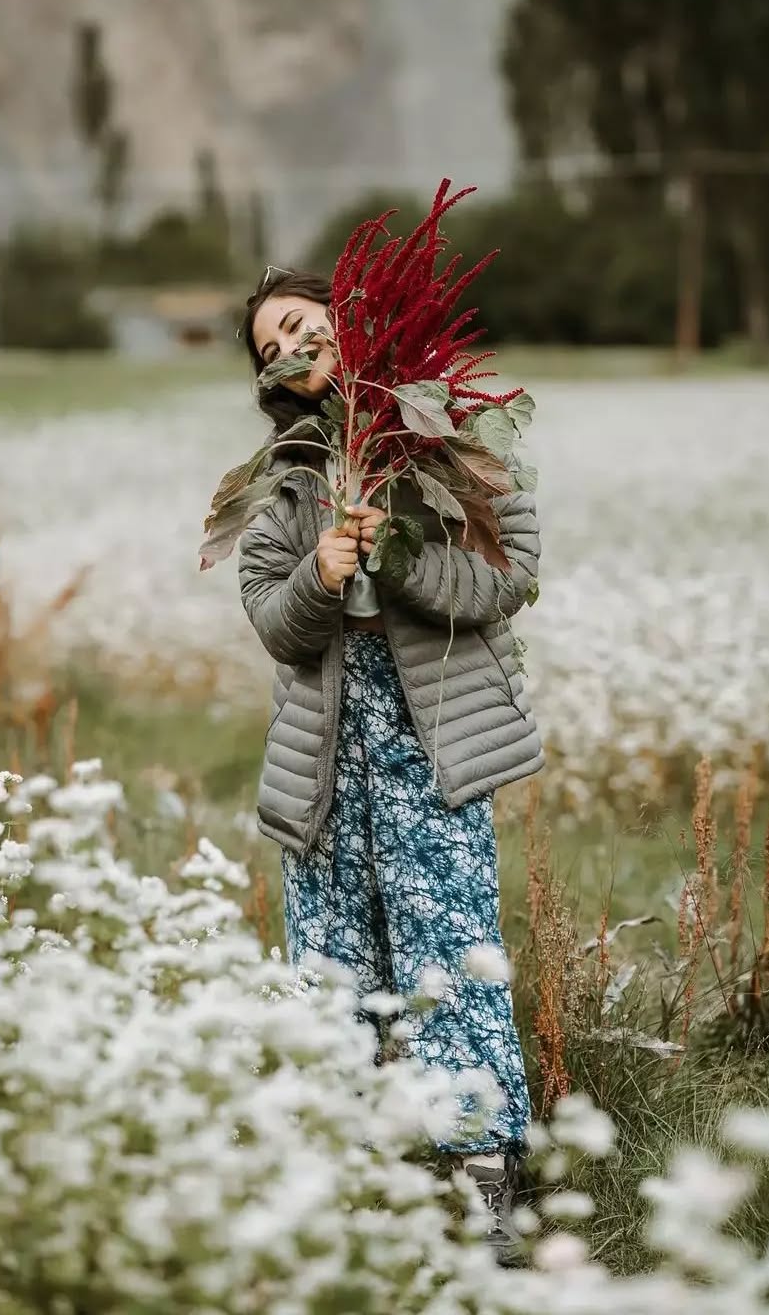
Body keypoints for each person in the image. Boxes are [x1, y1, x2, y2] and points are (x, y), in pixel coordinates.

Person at [235, 265, 545, 1264]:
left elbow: (512, 571)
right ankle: (345, 1182)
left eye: (299, 322)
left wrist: (401, 558)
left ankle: (485, 1188)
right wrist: (322, 575)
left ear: (343, 317)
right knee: (335, 971)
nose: (288, 344)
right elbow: (274, 622)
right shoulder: (283, 478)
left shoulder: (448, 435)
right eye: (268, 344)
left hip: (428, 746)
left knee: (449, 957)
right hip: (325, 760)